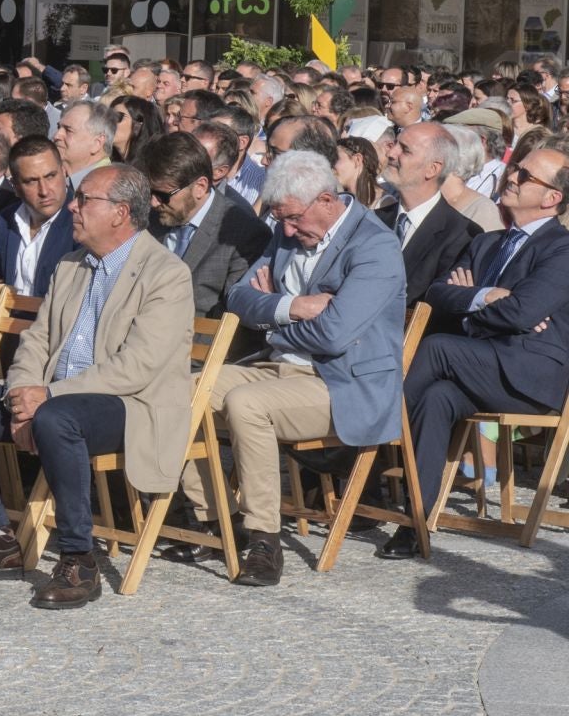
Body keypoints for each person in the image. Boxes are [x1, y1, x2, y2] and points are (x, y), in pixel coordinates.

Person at [0, 164, 193, 609]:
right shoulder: (72, 265)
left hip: (128, 403)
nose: (73, 206)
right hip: (50, 398)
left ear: (120, 213)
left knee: (57, 418)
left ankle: (78, 559)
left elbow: (138, 366)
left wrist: (47, 397)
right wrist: (23, 392)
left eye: (84, 199)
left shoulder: (165, 273)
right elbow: (38, 339)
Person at [170, 151, 406, 587]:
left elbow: (334, 336)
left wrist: (273, 326)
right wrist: (291, 305)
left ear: (326, 200)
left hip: (343, 383)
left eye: (295, 219)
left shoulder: (375, 247)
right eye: (281, 220)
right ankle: (211, 519)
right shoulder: (287, 231)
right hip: (278, 370)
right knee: (181, 391)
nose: (288, 230)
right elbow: (239, 298)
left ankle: (264, 538)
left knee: (245, 405)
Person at [379, 144, 569, 559]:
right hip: (479, 363)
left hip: (528, 374)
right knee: (435, 397)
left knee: (438, 347)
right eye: (515, 168)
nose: (512, 176)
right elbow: (437, 293)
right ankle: (416, 520)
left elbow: (521, 313)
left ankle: (371, 441)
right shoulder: (489, 242)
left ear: (552, 198)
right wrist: (485, 298)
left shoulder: (561, 248)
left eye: (526, 176)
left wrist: (472, 303)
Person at [137, 132, 269, 319]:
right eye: (148, 192)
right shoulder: (147, 218)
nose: (153, 203)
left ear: (200, 186)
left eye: (163, 195)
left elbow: (228, 321)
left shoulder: (244, 234)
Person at [378, 122, 480, 310]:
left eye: (405, 150)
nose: (392, 153)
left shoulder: (462, 234)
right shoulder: (375, 219)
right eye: (394, 144)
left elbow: (434, 306)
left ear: (432, 169)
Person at [0, 136, 75, 298]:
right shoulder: (4, 221)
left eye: (50, 176)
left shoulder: (82, 222)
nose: (44, 191)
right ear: (15, 186)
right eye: (31, 181)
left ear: (64, 172)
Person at [54, 101, 115, 194]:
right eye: (59, 127)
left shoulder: (110, 191)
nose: (56, 136)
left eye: (68, 130)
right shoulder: (60, 181)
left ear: (96, 143)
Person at [333, 135, 384, 208]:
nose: (331, 165)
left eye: (336, 159)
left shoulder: (384, 204)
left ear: (357, 160)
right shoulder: (342, 202)